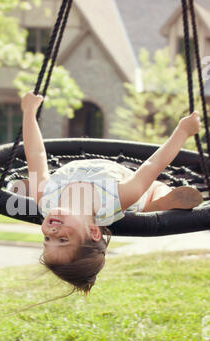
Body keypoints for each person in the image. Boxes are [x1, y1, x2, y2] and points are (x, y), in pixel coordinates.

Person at [18, 91, 203, 295]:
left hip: (96, 171)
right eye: (62, 240)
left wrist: (29, 112)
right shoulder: (115, 198)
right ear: (93, 231)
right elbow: (153, 164)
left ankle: (154, 205)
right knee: (156, 188)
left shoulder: (45, 198)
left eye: (46, 240)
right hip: (134, 192)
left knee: (149, 189)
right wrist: (183, 131)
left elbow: (35, 154)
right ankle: (157, 203)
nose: (51, 234)